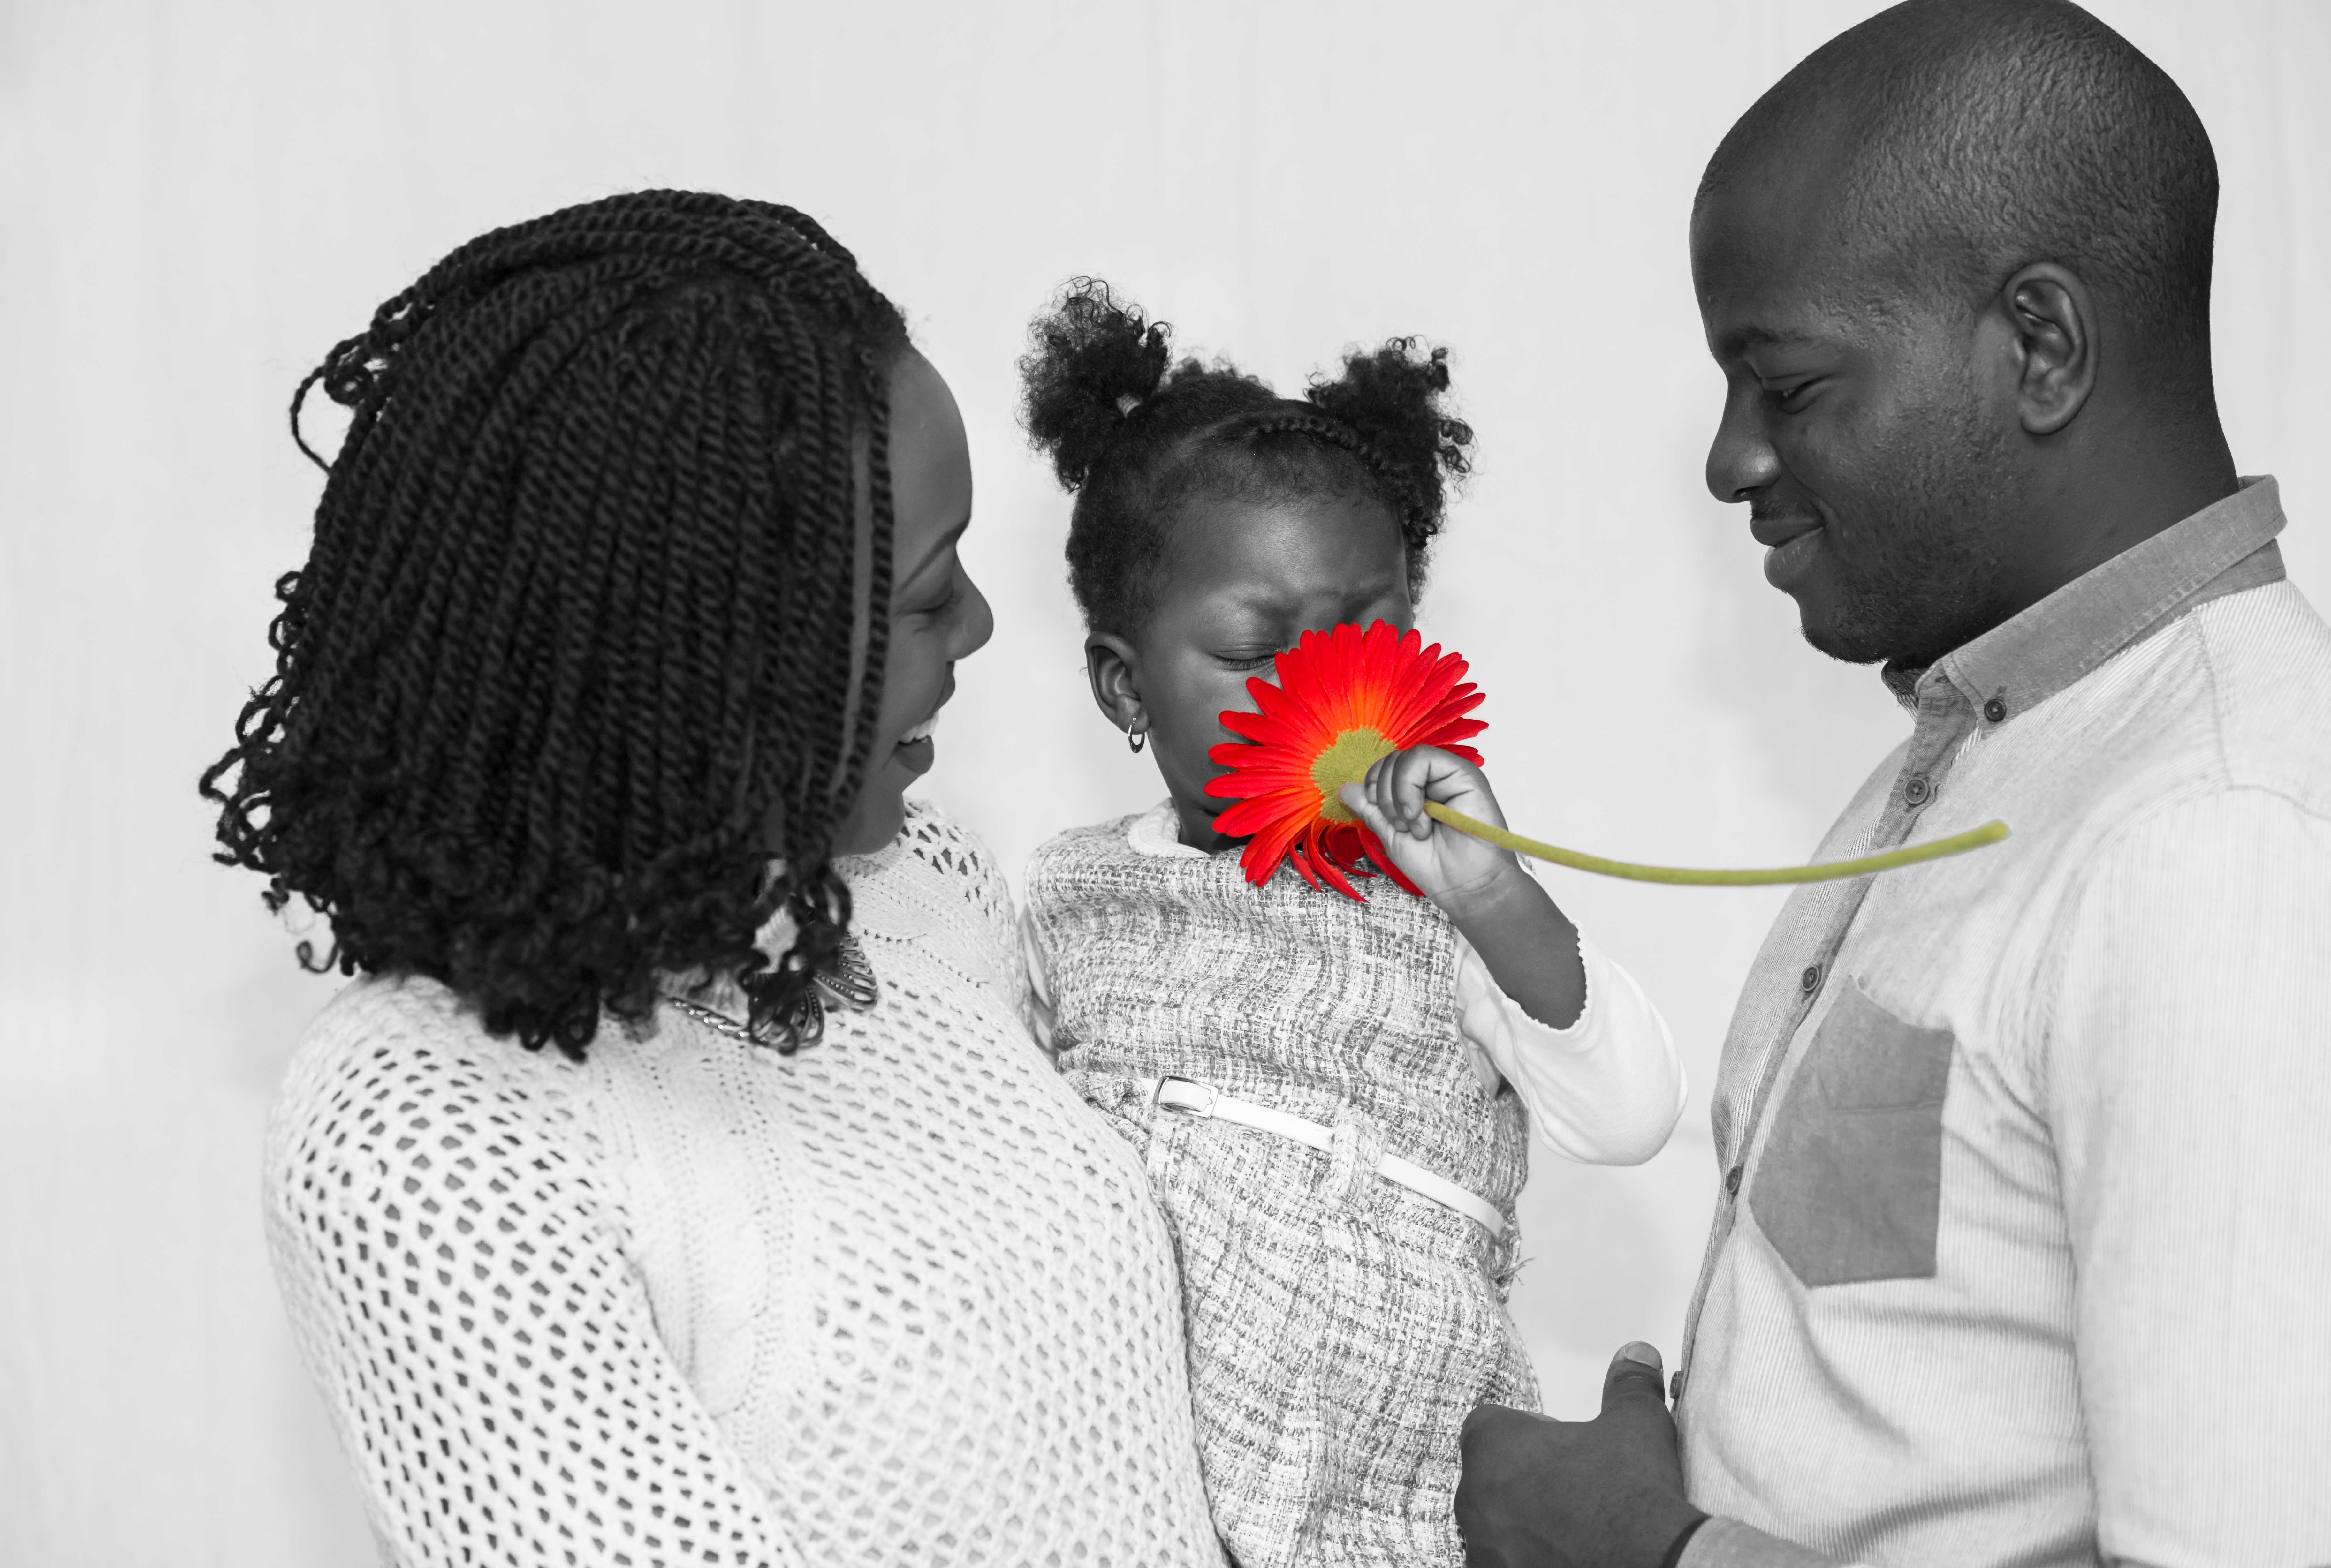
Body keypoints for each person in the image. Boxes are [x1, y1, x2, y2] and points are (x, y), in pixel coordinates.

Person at [202, 194, 1226, 1566]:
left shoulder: (920, 887)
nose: (983, 623)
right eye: (928, 594)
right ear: (712, 655)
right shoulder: (424, 1136)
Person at [1453, 4, 2331, 1566]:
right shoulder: (1988, 746)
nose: (1729, 461)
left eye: (1786, 386)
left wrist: (1655, 1552)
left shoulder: (2218, 835)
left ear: (2039, 347)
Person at [1013, 282, 1687, 1567]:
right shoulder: (1068, 901)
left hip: (1414, 1502)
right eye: (1255, 652)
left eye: (1368, 636)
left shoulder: (1446, 907)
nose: (1321, 689)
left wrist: (1494, 895)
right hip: (1150, 1493)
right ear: (1123, 686)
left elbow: (1631, 1113)